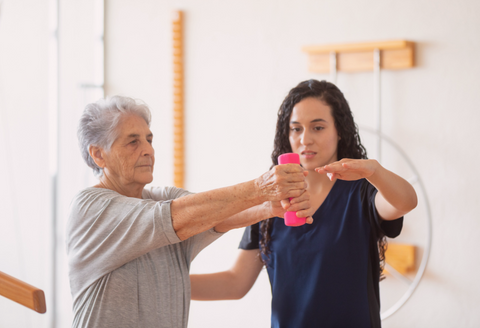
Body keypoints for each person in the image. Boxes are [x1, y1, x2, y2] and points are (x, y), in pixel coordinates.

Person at [66, 95, 312, 328]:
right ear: (99, 155)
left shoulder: (164, 198)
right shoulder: (90, 208)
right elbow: (174, 218)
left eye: (149, 140)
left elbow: (214, 215)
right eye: (133, 141)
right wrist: (261, 188)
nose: (148, 150)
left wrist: (269, 207)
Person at [190, 79, 418, 328]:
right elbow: (235, 282)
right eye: (296, 129)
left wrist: (374, 170)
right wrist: (164, 281)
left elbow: (405, 201)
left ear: (339, 130)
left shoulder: (362, 194)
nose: (305, 139)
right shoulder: (272, 203)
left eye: (318, 128)